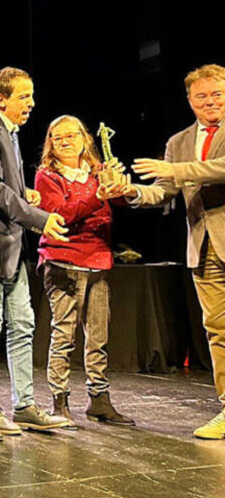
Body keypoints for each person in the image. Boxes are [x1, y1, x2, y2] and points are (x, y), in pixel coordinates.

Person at [0, 66, 70, 433]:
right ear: (0, 98)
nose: (31, 103)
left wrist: (24, 194)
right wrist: (38, 218)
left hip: (12, 246)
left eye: (31, 96)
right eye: (24, 96)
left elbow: (4, 185)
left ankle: (24, 404)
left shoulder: (7, 131)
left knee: (23, 324)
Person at [127, 63, 225, 439]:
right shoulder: (178, 141)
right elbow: (163, 192)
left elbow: (218, 168)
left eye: (217, 94)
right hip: (204, 248)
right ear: (189, 100)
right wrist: (130, 191)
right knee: (218, 330)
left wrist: (178, 170)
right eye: (201, 96)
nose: (210, 102)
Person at [35, 115, 135, 428]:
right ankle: (59, 401)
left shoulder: (97, 170)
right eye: (58, 137)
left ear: (84, 138)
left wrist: (122, 186)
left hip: (98, 261)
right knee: (64, 336)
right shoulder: (47, 176)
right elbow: (60, 214)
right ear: (50, 144)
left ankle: (99, 400)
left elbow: (121, 202)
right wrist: (97, 198)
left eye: (71, 136)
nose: (65, 142)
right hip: (64, 263)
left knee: (98, 336)